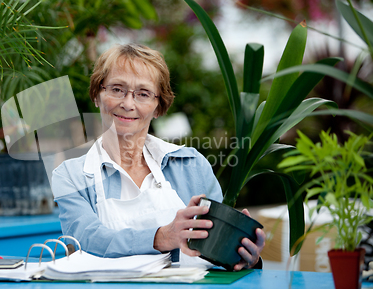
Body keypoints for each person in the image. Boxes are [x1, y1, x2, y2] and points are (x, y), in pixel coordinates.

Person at [52, 44, 265, 270]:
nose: (127, 103)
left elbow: (216, 249)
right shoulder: (70, 175)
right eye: (116, 89)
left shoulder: (191, 165)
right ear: (97, 95)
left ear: (158, 107)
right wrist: (162, 237)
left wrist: (242, 256)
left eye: (143, 94)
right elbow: (87, 239)